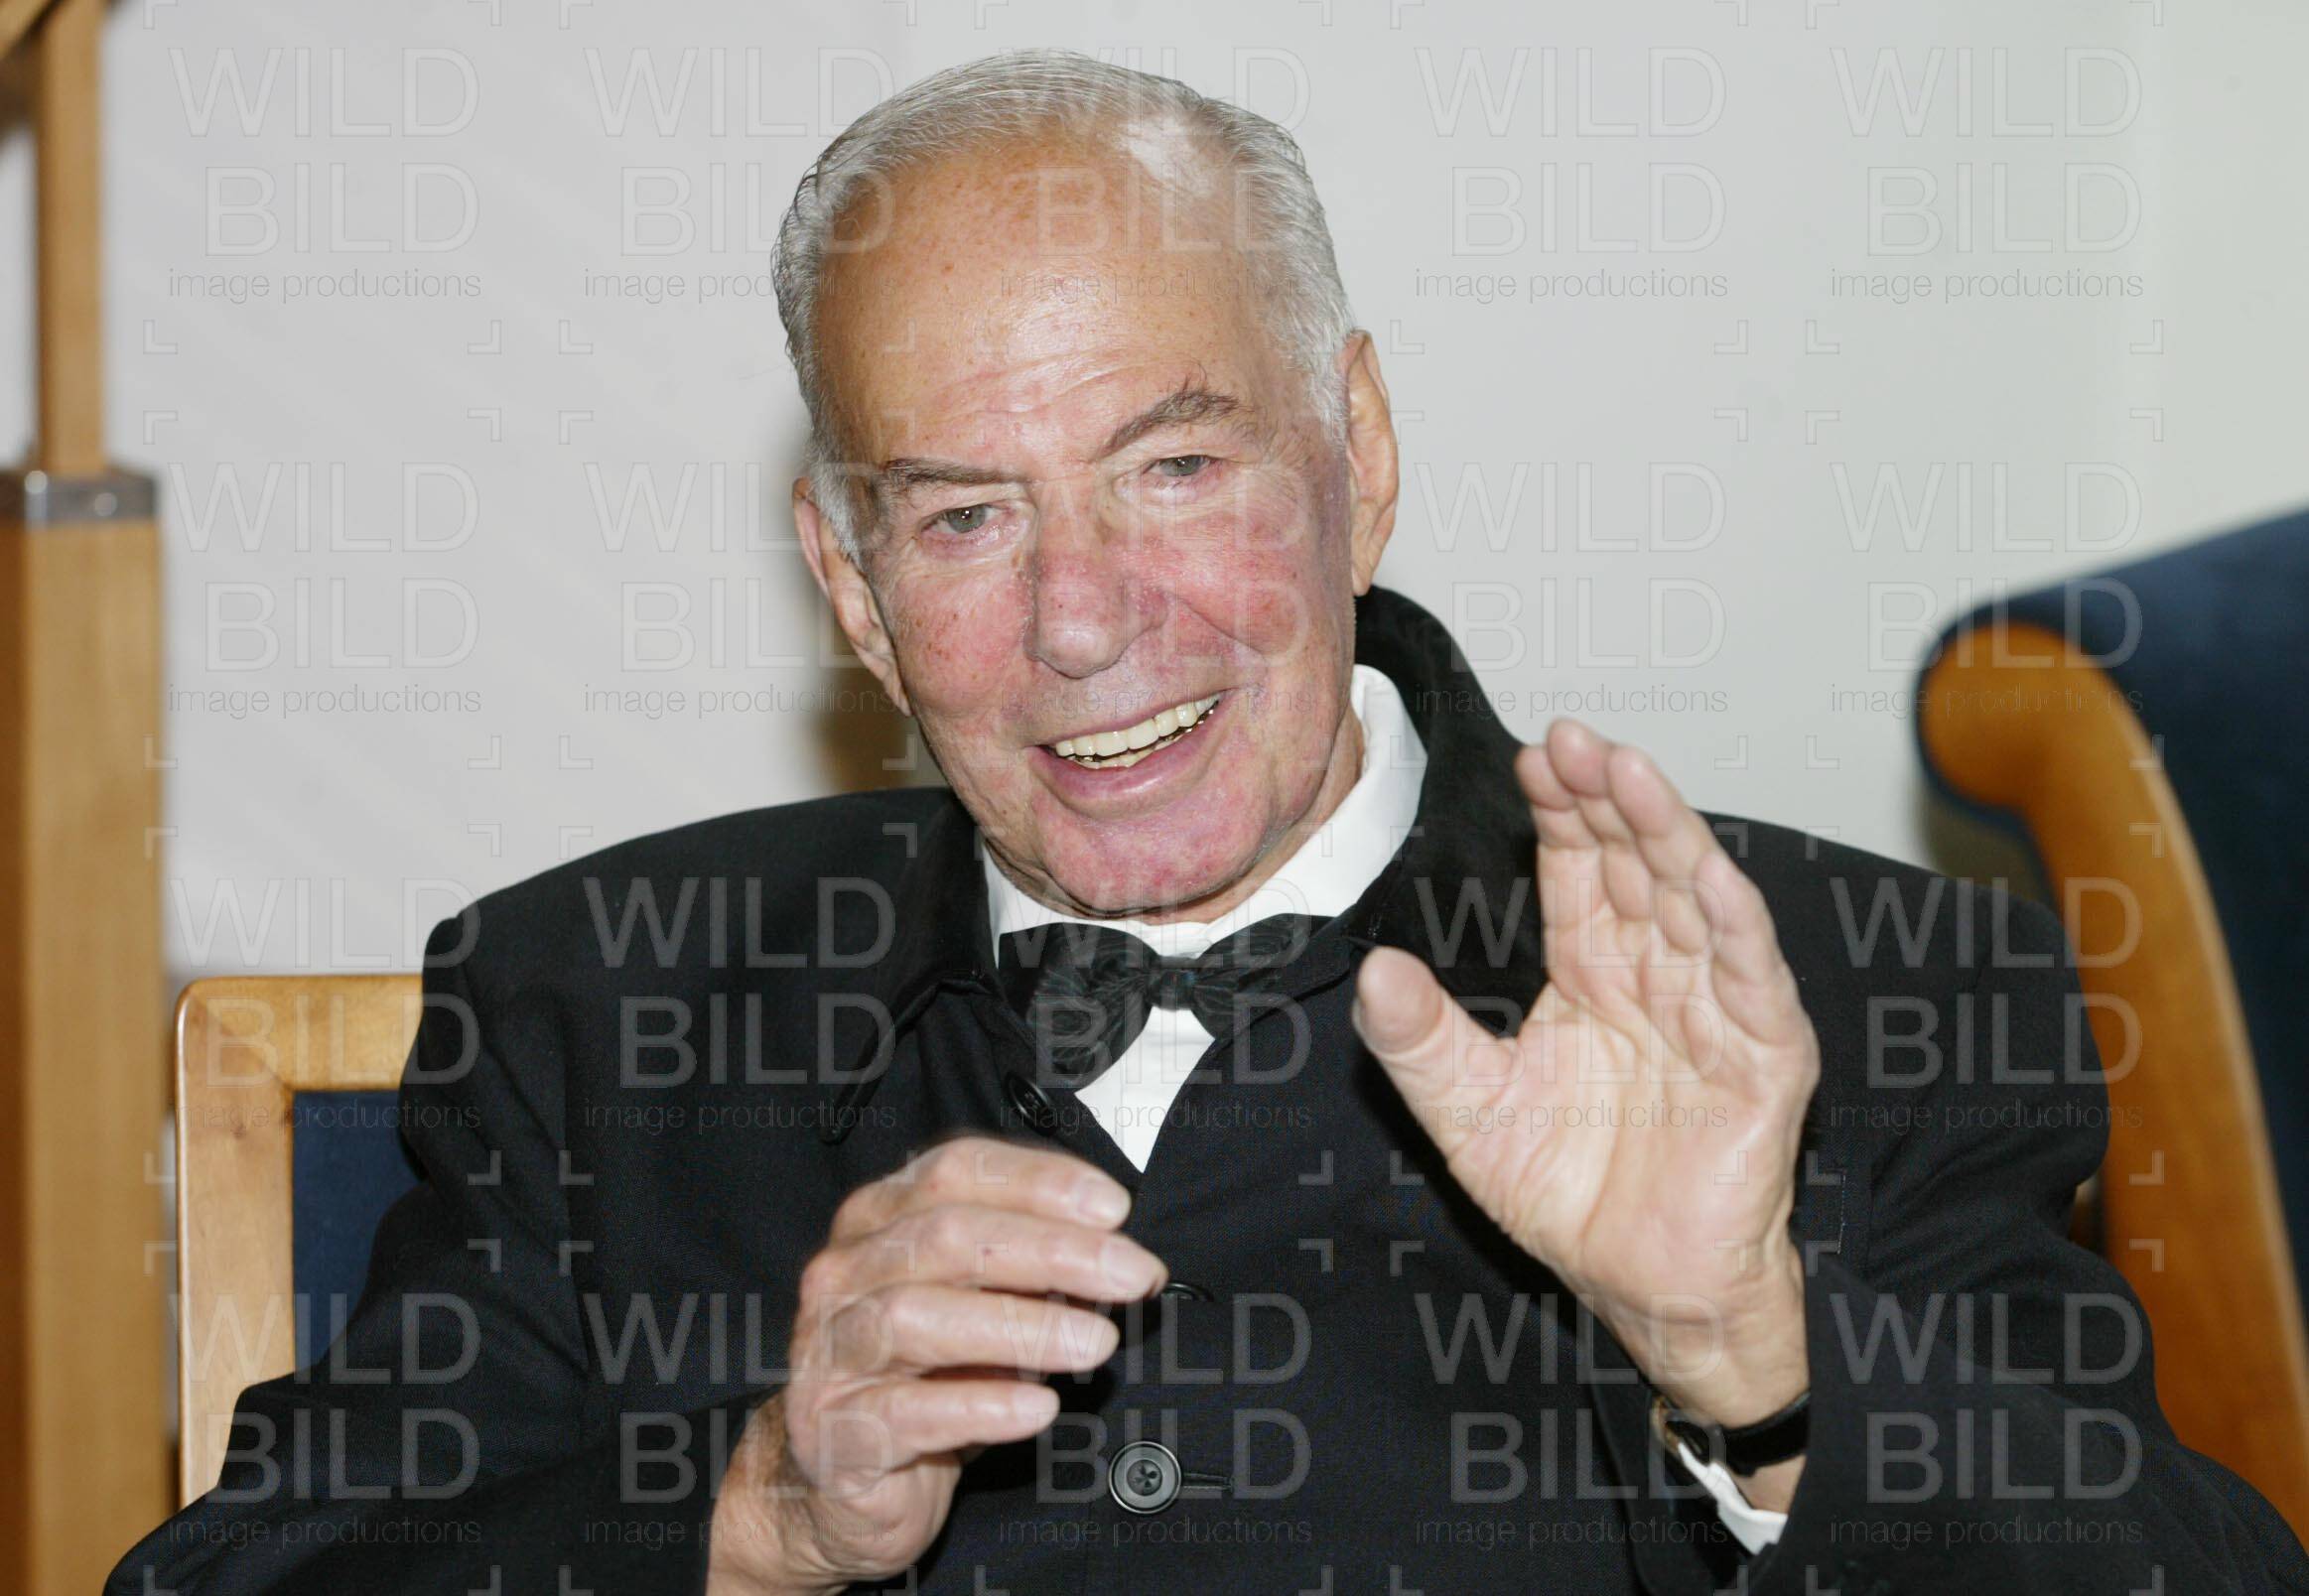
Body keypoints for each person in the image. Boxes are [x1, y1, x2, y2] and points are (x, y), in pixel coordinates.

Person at [110, 48, 2308, 1595]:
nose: (1083, 621)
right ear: (850, 583)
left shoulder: (1854, 990)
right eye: (963, 518)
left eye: (1174, 469)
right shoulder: (595, 1008)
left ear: (1359, 444)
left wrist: (1760, 1362)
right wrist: (754, 1510)